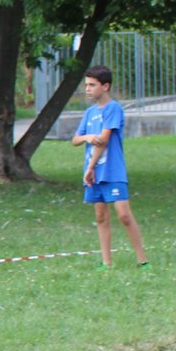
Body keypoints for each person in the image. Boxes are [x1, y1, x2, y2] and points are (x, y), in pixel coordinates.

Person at [72, 66, 150, 270]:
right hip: (93, 173)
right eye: (86, 85)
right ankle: (107, 262)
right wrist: (87, 137)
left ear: (105, 86)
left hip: (111, 171)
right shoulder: (89, 113)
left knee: (123, 214)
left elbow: (103, 140)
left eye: (92, 85)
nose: (87, 89)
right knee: (100, 215)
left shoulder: (113, 109)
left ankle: (142, 260)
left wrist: (90, 167)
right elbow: (75, 139)